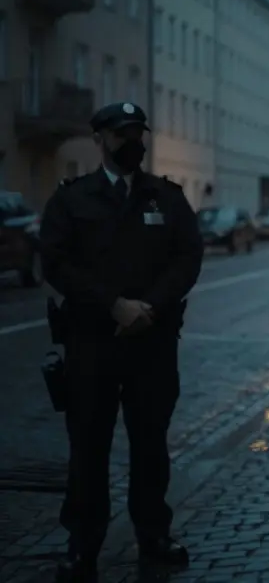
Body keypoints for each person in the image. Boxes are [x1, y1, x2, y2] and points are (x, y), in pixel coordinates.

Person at [40, 101, 203, 582]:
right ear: (99, 140)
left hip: (152, 343)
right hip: (92, 343)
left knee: (150, 445)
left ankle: (153, 534)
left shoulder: (166, 197)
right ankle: (83, 545)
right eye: (121, 134)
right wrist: (113, 303)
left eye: (138, 133)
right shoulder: (72, 199)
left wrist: (149, 306)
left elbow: (187, 257)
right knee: (88, 447)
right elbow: (56, 262)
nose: (132, 142)